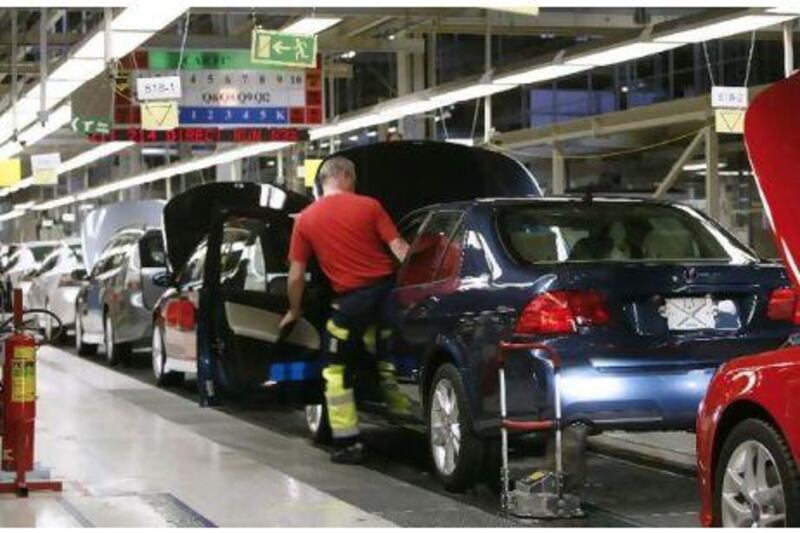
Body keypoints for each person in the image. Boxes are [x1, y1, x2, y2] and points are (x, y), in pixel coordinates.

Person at [280, 156, 409, 464]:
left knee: (335, 370)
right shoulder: (370, 206)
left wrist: (294, 311)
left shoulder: (306, 219)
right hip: (388, 296)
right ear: (349, 178)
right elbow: (400, 249)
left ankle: (348, 442)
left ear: (323, 182)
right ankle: (406, 417)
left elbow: (296, 276)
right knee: (388, 357)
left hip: (350, 306)